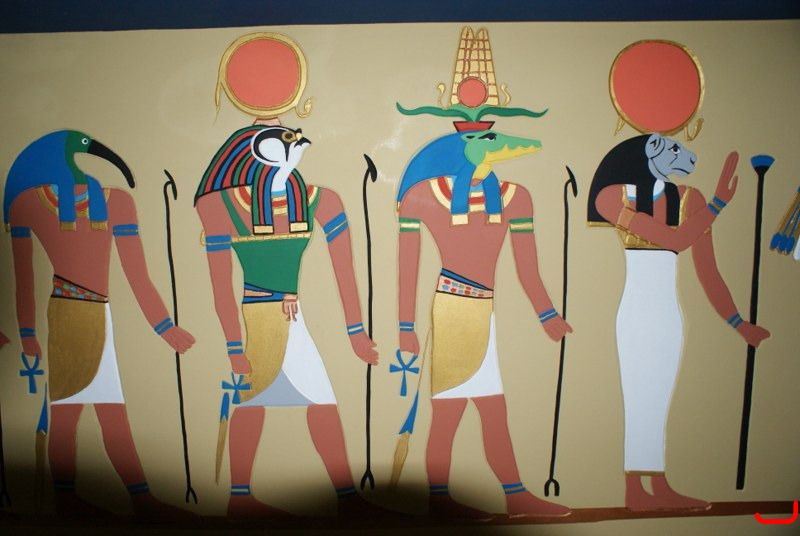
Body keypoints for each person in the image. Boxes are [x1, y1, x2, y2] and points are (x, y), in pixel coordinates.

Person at [195, 120, 381, 519]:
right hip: (262, 315)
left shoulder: (321, 200)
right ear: (257, 148)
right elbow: (219, 284)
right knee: (264, 400)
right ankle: (249, 499)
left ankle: (339, 499)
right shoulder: (220, 206)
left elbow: (344, 270)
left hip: (291, 317)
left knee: (293, 400)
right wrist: (233, 346)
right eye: (283, 137)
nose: (296, 140)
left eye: (293, 133)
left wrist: (356, 331)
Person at [7, 130, 196, 520]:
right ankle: (87, 500)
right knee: (73, 410)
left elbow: (136, 274)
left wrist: (164, 326)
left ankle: (132, 500)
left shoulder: (116, 202)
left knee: (103, 408)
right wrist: (27, 335)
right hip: (69, 315)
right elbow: (23, 278)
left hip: (92, 312)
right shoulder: (29, 204)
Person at [588, 134, 770, 510]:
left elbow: (707, 269)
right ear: (648, 150)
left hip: (668, 313)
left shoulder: (690, 199)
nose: (685, 156)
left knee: (658, 398)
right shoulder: (613, 197)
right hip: (635, 311)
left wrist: (738, 323)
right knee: (638, 396)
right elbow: (673, 239)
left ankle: (658, 484)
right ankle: (635, 491)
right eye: (672, 148)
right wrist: (718, 203)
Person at [397, 127, 572, 519]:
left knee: (491, 408)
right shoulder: (421, 196)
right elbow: (408, 265)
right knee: (453, 409)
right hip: (454, 310)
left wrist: (546, 312)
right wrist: (406, 328)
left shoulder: (515, 197)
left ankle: (510, 495)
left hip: (481, 310)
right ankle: (446, 498)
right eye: (486, 139)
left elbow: (526, 265)